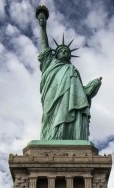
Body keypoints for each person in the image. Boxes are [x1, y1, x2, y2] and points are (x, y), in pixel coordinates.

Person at [36, 5, 102, 141]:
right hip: (52, 98)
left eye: (67, 51)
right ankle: (52, 139)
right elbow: (44, 45)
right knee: (51, 119)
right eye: (61, 50)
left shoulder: (73, 70)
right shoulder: (50, 63)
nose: (64, 52)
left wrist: (91, 87)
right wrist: (42, 27)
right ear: (56, 54)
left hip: (70, 102)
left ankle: (71, 138)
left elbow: (80, 95)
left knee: (72, 114)